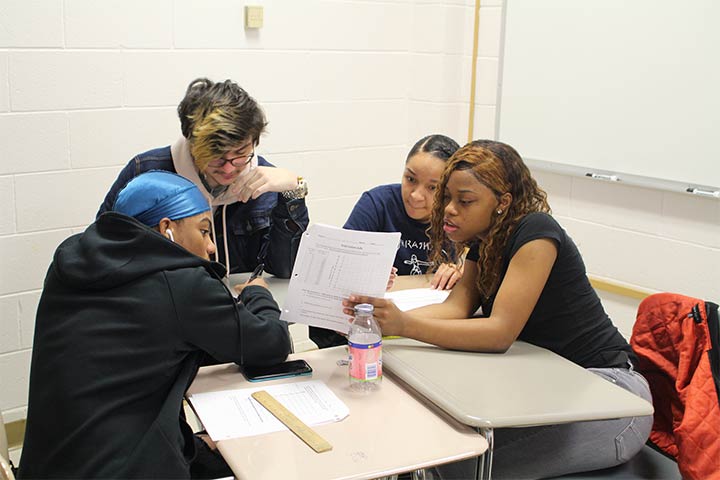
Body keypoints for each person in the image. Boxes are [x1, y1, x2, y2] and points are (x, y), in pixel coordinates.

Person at [343, 140, 653, 479]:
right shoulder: (485, 239)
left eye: (465, 201)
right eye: (446, 197)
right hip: (553, 384)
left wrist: (403, 324)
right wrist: (380, 319)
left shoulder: (537, 233)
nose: (448, 209)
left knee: (456, 468)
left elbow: (499, 332)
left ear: (502, 202)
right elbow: (456, 308)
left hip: (612, 397)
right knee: (432, 445)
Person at [18, 171, 292, 479]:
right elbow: (271, 343)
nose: (211, 246)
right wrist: (257, 294)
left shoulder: (69, 264)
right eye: (204, 231)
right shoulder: (180, 284)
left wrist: (189, 446)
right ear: (167, 230)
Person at [97, 77, 309, 277]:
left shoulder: (264, 182)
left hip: (243, 304)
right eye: (216, 158)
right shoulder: (147, 173)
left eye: (240, 154)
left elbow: (286, 269)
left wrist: (293, 192)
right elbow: (103, 249)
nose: (228, 169)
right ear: (192, 144)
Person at [310, 134, 462, 349]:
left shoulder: (456, 215)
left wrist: (460, 271)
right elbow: (340, 270)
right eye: (410, 179)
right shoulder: (378, 203)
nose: (416, 196)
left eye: (433, 188)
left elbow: (472, 266)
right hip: (365, 331)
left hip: (423, 332)